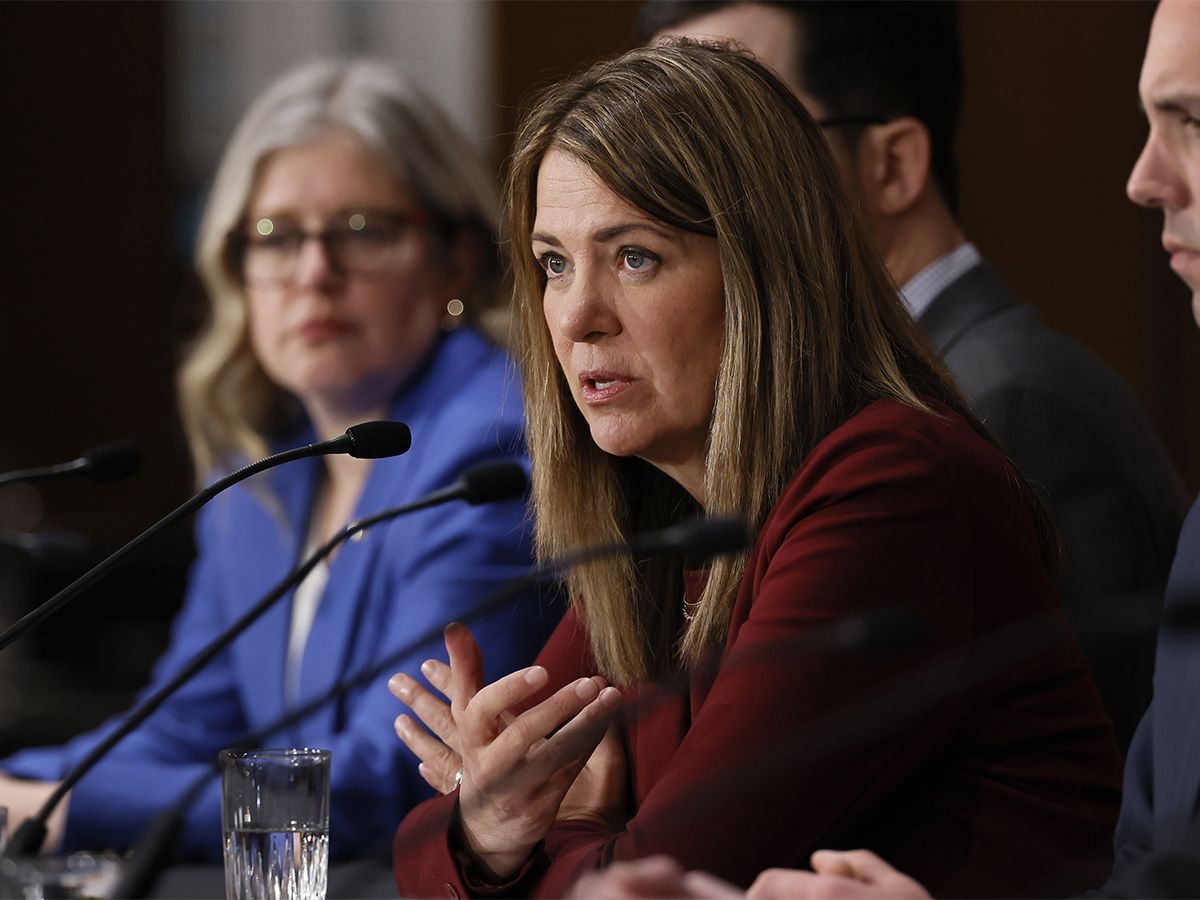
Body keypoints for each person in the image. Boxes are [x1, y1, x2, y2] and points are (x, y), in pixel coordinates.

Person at [387, 41, 1123, 898]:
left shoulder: (893, 489)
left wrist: (542, 830)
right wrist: (489, 828)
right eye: (554, 263)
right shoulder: (663, 518)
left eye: (634, 257)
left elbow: (663, 884)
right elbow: (429, 852)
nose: (577, 317)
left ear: (762, 271)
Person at [574, 2, 1200, 896]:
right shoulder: (704, 445)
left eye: (745, 122)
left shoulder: (977, 420)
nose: (665, 168)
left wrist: (567, 828)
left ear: (893, 162)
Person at [0, 59, 560, 862]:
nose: (312, 274)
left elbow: (390, 780)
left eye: (362, 231)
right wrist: (24, 785)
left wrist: (70, 809)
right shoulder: (262, 466)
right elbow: (188, 724)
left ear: (456, 259)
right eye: (275, 237)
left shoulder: (487, 441)